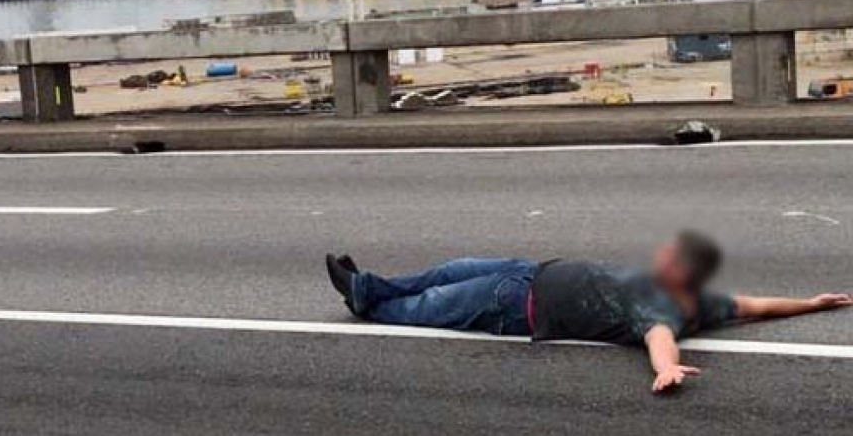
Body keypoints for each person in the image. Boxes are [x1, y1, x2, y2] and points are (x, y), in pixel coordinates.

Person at [324, 231, 852, 393]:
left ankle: (369, 303)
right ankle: (368, 285)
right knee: (448, 268)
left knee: (431, 306)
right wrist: (809, 303)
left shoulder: (662, 307)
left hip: (519, 304)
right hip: (530, 270)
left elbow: (659, 337)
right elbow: (755, 306)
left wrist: (667, 367)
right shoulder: (707, 300)